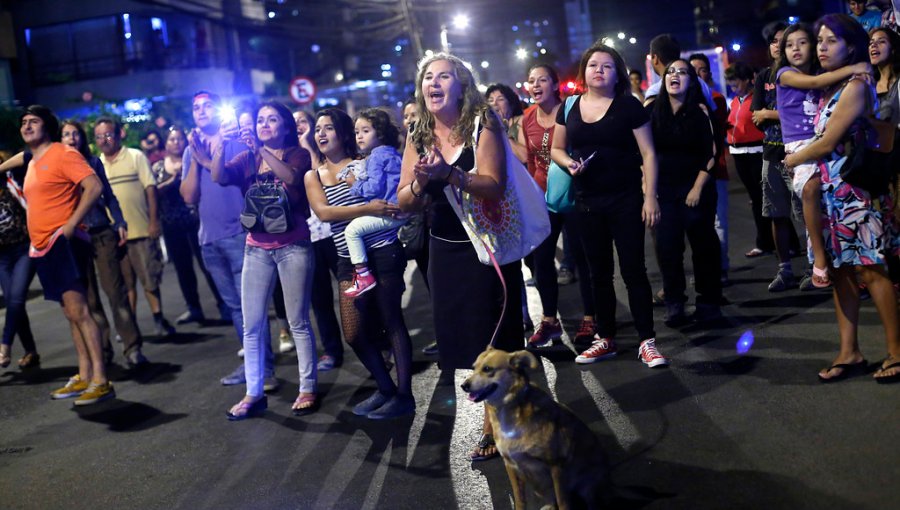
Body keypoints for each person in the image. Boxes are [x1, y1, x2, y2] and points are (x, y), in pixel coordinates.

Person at [398, 52, 527, 457]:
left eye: (443, 77)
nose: (433, 84)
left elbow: (492, 183)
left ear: (462, 85)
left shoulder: (482, 122)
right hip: (446, 251)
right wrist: (421, 182)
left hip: (487, 247)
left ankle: (497, 424)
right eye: (427, 78)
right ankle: (497, 414)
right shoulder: (418, 133)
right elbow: (404, 200)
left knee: (495, 335)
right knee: (465, 338)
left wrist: (449, 174)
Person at [784, 14, 900, 383]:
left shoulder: (855, 86)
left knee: (872, 271)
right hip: (833, 193)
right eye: (819, 40)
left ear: (851, 46)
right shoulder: (832, 88)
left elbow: (829, 141)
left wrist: (794, 158)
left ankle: (897, 352)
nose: (820, 47)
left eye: (830, 40)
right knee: (841, 273)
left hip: (856, 191)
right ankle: (849, 352)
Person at [550, 43, 667, 368]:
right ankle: (606, 338)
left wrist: (650, 196)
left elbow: (649, 154)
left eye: (606, 66)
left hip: (626, 198)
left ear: (617, 74)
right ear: (584, 72)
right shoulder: (570, 107)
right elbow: (557, 148)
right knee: (597, 273)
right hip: (587, 201)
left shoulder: (628, 106)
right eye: (593, 65)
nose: (598, 70)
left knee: (633, 271)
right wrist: (569, 164)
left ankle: (647, 341)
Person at [211, 101, 319, 419]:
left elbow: (292, 177)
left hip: (293, 245)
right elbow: (218, 176)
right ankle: (254, 393)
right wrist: (220, 144)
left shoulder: (296, 153)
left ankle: (308, 387)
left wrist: (261, 149)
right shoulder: (247, 158)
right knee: (253, 325)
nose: (265, 125)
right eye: (260, 120)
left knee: (297, 321)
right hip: (255, 247)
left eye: (272, 120)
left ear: (285, 126)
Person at [307, 108, 415, 419]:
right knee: (353, 332)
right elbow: (324, 213)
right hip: (347, 259)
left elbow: (390, 197)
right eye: (317, 129)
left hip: (381, 251)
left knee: (391, 320)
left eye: (328, 127)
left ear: (343, 132)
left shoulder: (366, 162)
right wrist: (367, 207)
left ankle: (404, 395)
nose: (322, 134)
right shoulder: (313, 175)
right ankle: (385, 388)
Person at [19, 105, 113, 405]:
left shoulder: (63, 153)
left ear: (47, 126)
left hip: (64, 243)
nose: (27, 126)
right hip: (43, 245)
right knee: (70, 313)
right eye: (23, 122)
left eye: (33, 121)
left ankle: (100, 379)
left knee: (80, 311)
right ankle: (84, 375)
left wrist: (72, 224)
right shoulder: (34, 161)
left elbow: (94, 186)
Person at [181, 91, 274, 388]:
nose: (201, 111)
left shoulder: (235, 142)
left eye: (208, 105)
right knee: (235, 308)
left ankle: (266, 370)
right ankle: (252, 367)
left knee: (251, 307)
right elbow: (189, 196)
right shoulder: (189, 151)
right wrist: (195, 158)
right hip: (209, 238)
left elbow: (226, 177)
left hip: (239, 233)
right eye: (196, 107)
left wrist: (206, 158)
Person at [776, 22, 872, 289]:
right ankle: (818, 258)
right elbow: (816, 83)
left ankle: (841, 260)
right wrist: (855, 68)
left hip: (819, 139)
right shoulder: (785, 73)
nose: (796, 48)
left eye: (803, 42)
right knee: (810, 188)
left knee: (826, 200)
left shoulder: (827, 74)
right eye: (789, 44)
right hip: (798, 145)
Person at [517, 63, 597, 347]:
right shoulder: (527, 118)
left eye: (542, 80)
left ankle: (590, 318)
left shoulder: (572, 111)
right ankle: (549, 321)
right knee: (541, 262)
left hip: (575, 195)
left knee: (582, 258)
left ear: (554, 85)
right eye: (531, 81)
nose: (536, 85)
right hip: (543, 199)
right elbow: (530, 161)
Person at [61, 120, 147, 367]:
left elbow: (109, 196)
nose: (71, 138)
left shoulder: (93, 163)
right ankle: (104, 350)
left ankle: (132, 347)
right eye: (66, 134)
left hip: (101, 232)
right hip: (76, 238)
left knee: (115, 292)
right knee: (89, 299)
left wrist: (119, 221)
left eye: (75, 134)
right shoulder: (57, 167)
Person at [649, 59, 722, 326]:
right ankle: (675, 303)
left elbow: (712, 153)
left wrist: (696, 188)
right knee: (668, 248)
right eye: (670, 72)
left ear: (692, 80)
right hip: (665, 191)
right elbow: (645, 154)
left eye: (682, 72)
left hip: (697, 189)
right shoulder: (652, 111)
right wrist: (649, 190)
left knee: (704, 247)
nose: (675, 76)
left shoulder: (701, 111)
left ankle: (708, 302)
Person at [95, 117, 176, 336]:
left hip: (140, 230)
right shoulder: (97, 164)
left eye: (108, 134)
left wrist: (153, 221)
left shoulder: (135, 156)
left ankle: (158, 318)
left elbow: (150, 188)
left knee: (149, 278)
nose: (104, 140)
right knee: (124, 285)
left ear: (119, 134)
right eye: (99, 136)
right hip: (113, 235)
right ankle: (130, 329)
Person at [751, 22, 805, 292]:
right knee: (776, 215)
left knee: (807, 215)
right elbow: (755, 115)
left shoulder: (801, 74)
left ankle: (815, 267)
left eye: (783, 40)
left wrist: (771, 114)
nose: (778, 45)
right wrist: (772, 116)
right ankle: (785, 270)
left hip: (800, 153)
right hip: (771, 154)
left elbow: (802, 114)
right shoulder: (763, 77)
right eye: (774, 40)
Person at [153, 127, 225, 325]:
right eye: (171, 139)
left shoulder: (193, 162)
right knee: (183, 269)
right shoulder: (159, 167)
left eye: (179, 139)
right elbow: (152, 193)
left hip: (194, 220)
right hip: (171, 224)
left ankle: (223, 304)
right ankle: (193, 308)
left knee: (208, 265)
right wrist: (171, 181)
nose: (175, 142)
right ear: (165, 143)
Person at [292, 109, 344, 370]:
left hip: (333, 233)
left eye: (303, 121)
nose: (298, 126)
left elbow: (319, 179)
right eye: (294, 123)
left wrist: (308, 147)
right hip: (307, 235)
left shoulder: (325, 155)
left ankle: (378, 343)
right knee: (319, 298)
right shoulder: (291, 156)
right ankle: (332, 350)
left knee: (351, 290)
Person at [340, 108, 407, 298]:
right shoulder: (390, 152)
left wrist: (354, 184)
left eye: (365, 131)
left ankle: (362, 275)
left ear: (380, 132)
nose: (359, 136)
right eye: (357, 132)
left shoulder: (377, 155)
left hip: (391, 212)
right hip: (398, 210)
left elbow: (374, 188)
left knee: (352, 230)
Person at [689, 52, 731, 285]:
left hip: (716, 170)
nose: (697, 74)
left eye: (702, 69)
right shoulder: (678, 99)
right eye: (692, 70)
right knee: (697, 224)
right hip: (689, 174)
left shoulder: (716, 99)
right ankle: (704, 270)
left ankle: (721, 268)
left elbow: (717, 132)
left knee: (718, 222)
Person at [725, 62, 772, 259]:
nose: (732, 87)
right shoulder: (736, 101)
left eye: (735, 83)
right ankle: (764, 242)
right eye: (730, 84)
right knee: (755, 199)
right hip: (739, 153)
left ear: (746, 80)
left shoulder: (757, 99)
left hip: (756, 152)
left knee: (766, 199)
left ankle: (784, 243)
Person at [0, 152, 38, 369]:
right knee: (14, 301)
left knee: (16, 298)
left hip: (23, 248)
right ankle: (30, 350)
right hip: (2, 256)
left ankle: (5, 345)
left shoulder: (12, 180)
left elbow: (28, 154)